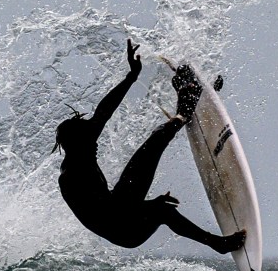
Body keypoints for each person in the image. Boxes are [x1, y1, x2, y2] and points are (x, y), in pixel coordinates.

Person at [53, 39, 246, 253]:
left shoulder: (82, 146)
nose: (95, 141)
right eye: (90, 138)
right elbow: (106, 217)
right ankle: (185, 110)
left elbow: (104, 111)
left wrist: (132, 76)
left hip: (120, 207)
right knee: (161, 199)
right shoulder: (72, 179)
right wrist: (146, 207)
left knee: (159, 184)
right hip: (124, 230)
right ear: (76, 144)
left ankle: (186, 107)